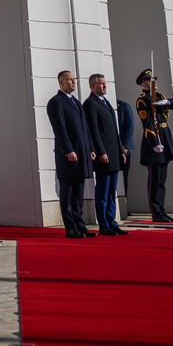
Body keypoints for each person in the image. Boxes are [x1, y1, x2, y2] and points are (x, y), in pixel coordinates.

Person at [46, 70, 93, 238]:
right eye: (70, 80)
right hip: (68, 155)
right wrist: (69, 150)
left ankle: (80, 224)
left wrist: (91, 149)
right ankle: (70, 227)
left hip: (82, 153)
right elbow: (60, 129)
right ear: (61, 83)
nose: (74, 82)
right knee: (68, 191)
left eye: (74, 79)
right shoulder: (56, 102)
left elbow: (85, 129)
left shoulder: (76, 102)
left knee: (79, 192)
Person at [82, 74, 129, 236]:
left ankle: (112, 221)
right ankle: (103, 223)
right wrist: (101, 151)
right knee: (103, 189)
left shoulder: (106, 102)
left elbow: (113, 131)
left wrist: (120, 150)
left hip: (114, 153)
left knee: (112, 191)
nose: (104, 86)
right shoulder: (90, 104)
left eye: (105, 83)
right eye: (101, 84)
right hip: (104, 155)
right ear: (93, 86)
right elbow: (94, 131)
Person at [134, 69, 173, 223]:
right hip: (154, 141)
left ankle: (162, 210)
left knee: (162, 180)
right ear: (143, 82)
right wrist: (154, 143)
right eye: (150, 80)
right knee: (154, 180)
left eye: (153, 79)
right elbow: (146, 124)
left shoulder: (159, 96)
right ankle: (156, 212)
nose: (153, 82)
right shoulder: (142, 100)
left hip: (164, 137)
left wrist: (167, 102)